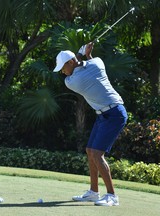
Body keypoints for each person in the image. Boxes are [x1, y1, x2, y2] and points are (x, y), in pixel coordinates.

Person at [53, 42, 128, 206]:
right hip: (104, 114)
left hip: (114, 114)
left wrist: (81, 53)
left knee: (97, 154)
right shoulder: (98, 63)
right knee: (90, 150)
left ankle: (112, 196)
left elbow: (78, 66)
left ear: (71, 62)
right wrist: (86, 55)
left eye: (63, 68)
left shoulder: (73, 81)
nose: (63, 72)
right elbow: (87, 63)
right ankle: (94, 192)